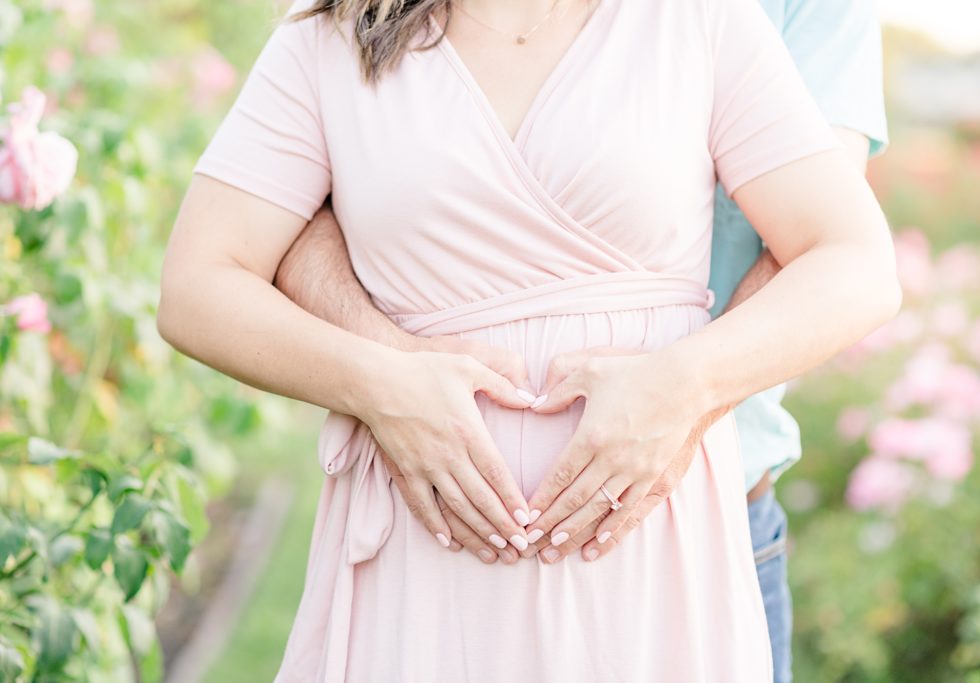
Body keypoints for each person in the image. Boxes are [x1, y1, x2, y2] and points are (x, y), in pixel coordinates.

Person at [157, 0, 901, 679]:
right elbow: (199, 283)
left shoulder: (699, 20)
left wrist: (683, 387)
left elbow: (854, 261)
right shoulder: (331, 36)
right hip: (425, 560)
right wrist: (379, 383)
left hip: (647, 564)